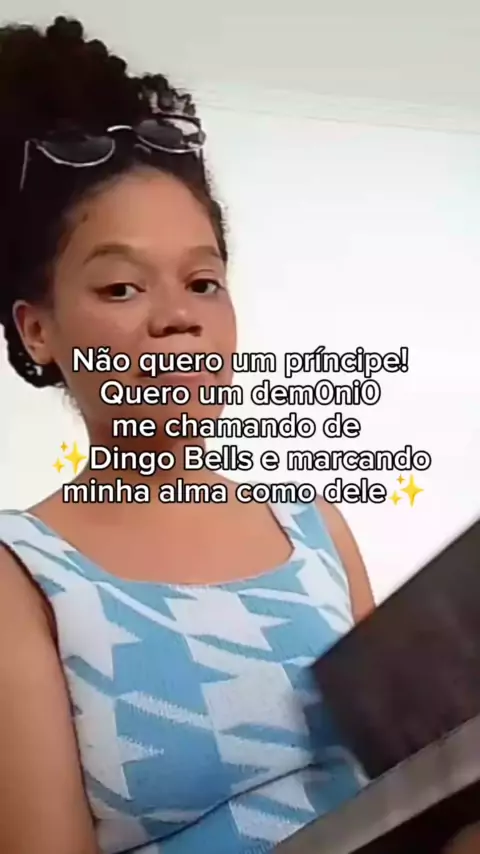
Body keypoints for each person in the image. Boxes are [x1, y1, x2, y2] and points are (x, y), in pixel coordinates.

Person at [0, 16, 378, 854]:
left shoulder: (319, 531)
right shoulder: (20, 577)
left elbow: (410, 784)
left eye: (204, 281)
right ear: (38, 330)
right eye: (122, 287)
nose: (179, 318)